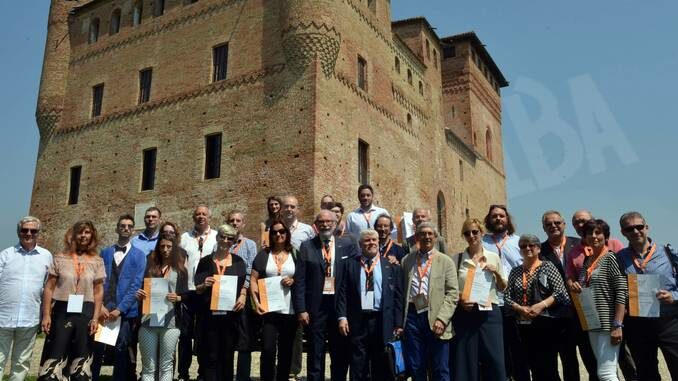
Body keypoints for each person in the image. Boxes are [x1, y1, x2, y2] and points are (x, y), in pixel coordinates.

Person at [566, 210, 636, 381]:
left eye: (598, 233)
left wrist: (618, 324)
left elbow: (621, 291)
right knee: (602, 370)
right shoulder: (586, 262)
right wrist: (576, 287)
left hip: (608, 323)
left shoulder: (611, 258)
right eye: (589, 233)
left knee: (606, 374)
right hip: (593, 324)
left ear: (606, 236)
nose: (594, 236)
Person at [38, 220, 106, 381]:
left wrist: (96, 317)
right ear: (73, 234)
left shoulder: (97, 260)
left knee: (81, 362)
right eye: (80, 232)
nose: (83, 236)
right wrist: (46, 314)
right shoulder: (60, 258)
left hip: (86, 312)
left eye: (87, 232)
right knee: (55, 355)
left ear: (92, 236)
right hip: (62, 311)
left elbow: (98, 291)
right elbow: (49, 288)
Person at [294, 210, 357, 381]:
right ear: (316, 225)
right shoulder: (307, 246)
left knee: (339, 351)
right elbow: (300, 280)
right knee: (315, 350)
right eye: (321, 222)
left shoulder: (347, 245)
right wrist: (301, 309)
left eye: (329, 221)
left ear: (336, 223)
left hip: (339, 306)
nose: (325, 225)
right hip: (315, 307)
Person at [616, 212, 678, 380]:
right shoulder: (619, 258)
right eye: (630, 228)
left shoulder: (668, 252)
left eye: (639, 227)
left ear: (647, 227)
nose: (636, 231)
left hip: (669, 321)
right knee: (646, 374)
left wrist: (674, 296)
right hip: (638, 324)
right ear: (623, 232)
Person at [336, 229, 403, 381]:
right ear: (360, 244)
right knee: (358, 362)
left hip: (382, 319)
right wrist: (342, 317)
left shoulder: (391, 266)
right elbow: (342, 293)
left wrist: (398, 323)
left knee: (382, 361)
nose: (371, 243)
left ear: (379, 242)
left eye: (374, 239)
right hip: (357, 320)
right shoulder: (350, 264)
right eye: (367, 240)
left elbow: (398, 297)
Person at [505, 234, 570, 381]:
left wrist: (541, 305)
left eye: (531, 245)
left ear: (538, 248)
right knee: (524, 365)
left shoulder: (547, 266)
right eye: (523, 246)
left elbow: (561, 292)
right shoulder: (515, 271)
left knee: (547, 367)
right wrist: (520, 308)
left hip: (545, 324)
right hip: (522, 326)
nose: (527, 248)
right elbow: (507, 297)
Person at [540, 210, 594, 381]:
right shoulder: (540, 251)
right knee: (568, 360)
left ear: (564, 224)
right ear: (544, 228)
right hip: (559, 315)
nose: (553, 226)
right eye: (548, 224)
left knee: (591, 358)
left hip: (585, 310)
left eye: (557, 223)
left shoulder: (581, 243)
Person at [450, 218, 506, 381]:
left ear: (481, 233)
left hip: (490, 314)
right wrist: (461, 299)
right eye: (467, 233)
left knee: (494, 360)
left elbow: (503, 287)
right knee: (466, 360)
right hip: (465, 313)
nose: (471, 235)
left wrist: (495, 272)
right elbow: (451, 289)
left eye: (475, 232)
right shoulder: (457, 259)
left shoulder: (493, 257)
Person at [401, 222, 458, 381]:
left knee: (440, 368)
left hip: (436, 317)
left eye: (429, 234)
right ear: (416, 237)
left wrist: (442, 318)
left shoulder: (446, 261)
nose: (426, 237)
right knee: (416, 366)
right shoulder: (407, 260)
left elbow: (453, 293)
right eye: (422, 234)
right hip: (412, 317)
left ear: (435, 237)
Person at [92, 215, 147, 381]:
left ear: (133, 230)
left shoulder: (139, 255)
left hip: (124, 312)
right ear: (117, 228)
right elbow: (98, 281)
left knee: (121, 351)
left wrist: (120, 309)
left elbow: (136, 285)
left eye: (130, 226)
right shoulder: (105, 252)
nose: (126, 228)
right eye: (122, 225)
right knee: (97, 350)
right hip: (103, 309)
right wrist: (100, 306)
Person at [0, 217, 52, 381]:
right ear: (18, 232)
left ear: (38, 233)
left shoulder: (46, 256)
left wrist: (46, 315)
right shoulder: (6, 255)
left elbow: (48, 288)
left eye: (33, 231)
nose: (28, 234)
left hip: (29, 317)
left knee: (21, 363)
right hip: (3, 317)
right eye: (25, 230)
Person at [194, 224, 249, 381]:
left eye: (230, 238)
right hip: (209, 316)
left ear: (233, 241)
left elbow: (242, 287)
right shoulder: (205, 261)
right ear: (217, 238)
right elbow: (197, 288)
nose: (225, 241)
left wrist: (243, 296)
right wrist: (204, 285)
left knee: (227, 356)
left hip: (230, 317)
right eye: (222, 237)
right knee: (210, 356)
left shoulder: (239, 262)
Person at [481, 204, 528, 381]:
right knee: (497, 349)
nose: (498, 219)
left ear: (507, 219)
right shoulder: (482, 242)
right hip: (492, 302)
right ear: (489, 220)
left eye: (502, 216)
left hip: (516, 303)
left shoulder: (519, 242)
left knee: (518, 348)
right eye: (494, 216)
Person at [136, 234, 189, 381]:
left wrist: (178, 298)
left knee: (166, 365)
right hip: (148, 321)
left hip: (171, 323)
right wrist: (139, 295)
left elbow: (187, 295)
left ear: (174, 249)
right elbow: (140, 289)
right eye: (162, 246)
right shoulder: (149, 268)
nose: (165, 250)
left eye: (169, 247)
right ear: (158, 248)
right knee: (148, 367)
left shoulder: (180, 270)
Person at [250, 220, 298, 381]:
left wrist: (294, 280)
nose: (279, 234)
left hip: (289, 310)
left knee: (286, 350)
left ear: (287, 233)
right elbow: (253, 279)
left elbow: (303, 277)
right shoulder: (264, 254)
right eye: (275, 232)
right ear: (270, 235)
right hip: (268, 310)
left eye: (282, 231)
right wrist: (256, 303)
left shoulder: (295, 253)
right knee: (268, 349)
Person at [178, 204, 217, 381]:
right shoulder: (185, 237)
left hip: (207, 293)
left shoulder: (216, 237)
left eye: (204, 214)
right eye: (197, 214)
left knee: (203, 334)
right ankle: (183, 373)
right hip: (188, 291)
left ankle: (202, 372)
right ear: (193, 217)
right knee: (185, 335)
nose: (201, 217)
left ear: (209, 217)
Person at [227, 210, 259, 381]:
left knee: (244, 341)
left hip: (242, 297)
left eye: (238, 220)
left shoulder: (249, 245)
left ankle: (243, 377)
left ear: (243, 224)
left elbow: (250, 271)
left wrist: (243, 292)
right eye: (232, 220)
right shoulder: (222, 244)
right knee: (227, 339)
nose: (235, 223)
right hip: (225, 298)